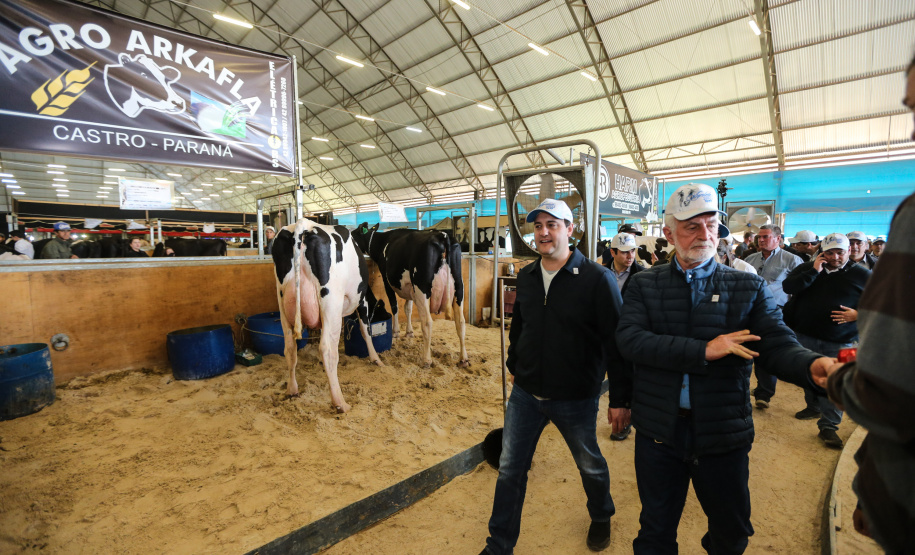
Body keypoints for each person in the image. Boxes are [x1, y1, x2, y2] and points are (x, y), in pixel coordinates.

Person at [614, 182, 833, 555]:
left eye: (711, 225)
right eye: (691, 226)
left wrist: (812, 364)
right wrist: (705, 350)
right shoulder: (644, 285)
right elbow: (631, 340)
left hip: (722, 429)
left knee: (731, 532)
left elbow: (776, 342)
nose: (704, 234)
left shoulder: (747, 286)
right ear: (668, 233)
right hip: (659, 431)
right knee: (654, 529)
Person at [482, 198, 624, 554]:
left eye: (552, 224)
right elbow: (520, 327)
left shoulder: (597, 279)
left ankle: (601, 514)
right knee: (510, 470)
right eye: (538, 226)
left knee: (589, 463)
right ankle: (498, 545)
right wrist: (516, 366)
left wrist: (622, 399)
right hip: (527, 394)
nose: (544, 232)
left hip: (575, 396)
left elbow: (616, 343)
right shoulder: (527, 276)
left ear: (570, 229)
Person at [819, 54, 915, 553]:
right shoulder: (809, 271)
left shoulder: (876, 259)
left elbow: (893, 392)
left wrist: (840, 379)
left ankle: (828, 422)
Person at [781, 233, 870, 448]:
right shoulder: (809, 267)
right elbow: (789, 287)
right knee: (809, 376)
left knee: (835, 382)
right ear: (822, 252)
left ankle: (829, 426)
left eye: (840, 252)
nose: (835, 257)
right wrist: (813, 271)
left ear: (849, 251)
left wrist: (858, 315)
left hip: (842, 339)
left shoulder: (863, 275)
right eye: (830, 252)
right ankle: (812, 406)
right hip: (805, 334)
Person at [744, 224, 803, 409]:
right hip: (748, 311)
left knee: (767, 351)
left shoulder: (792, 260)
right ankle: (745, 388)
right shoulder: (750, 259)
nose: (761, 240)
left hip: (775, 312)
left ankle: (764, 393)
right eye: (759, 237)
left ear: (778, 239)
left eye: (766, 237)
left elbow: (799, 290)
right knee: (746, 351)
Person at [603, 231, 644, 442]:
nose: (630, 256)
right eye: (625, 252)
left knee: (627, 377)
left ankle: (624, 422)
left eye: (633, 251)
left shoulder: (643, 276)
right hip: (602, 336)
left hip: (629, 337)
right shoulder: (599, 274)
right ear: (613, 252)